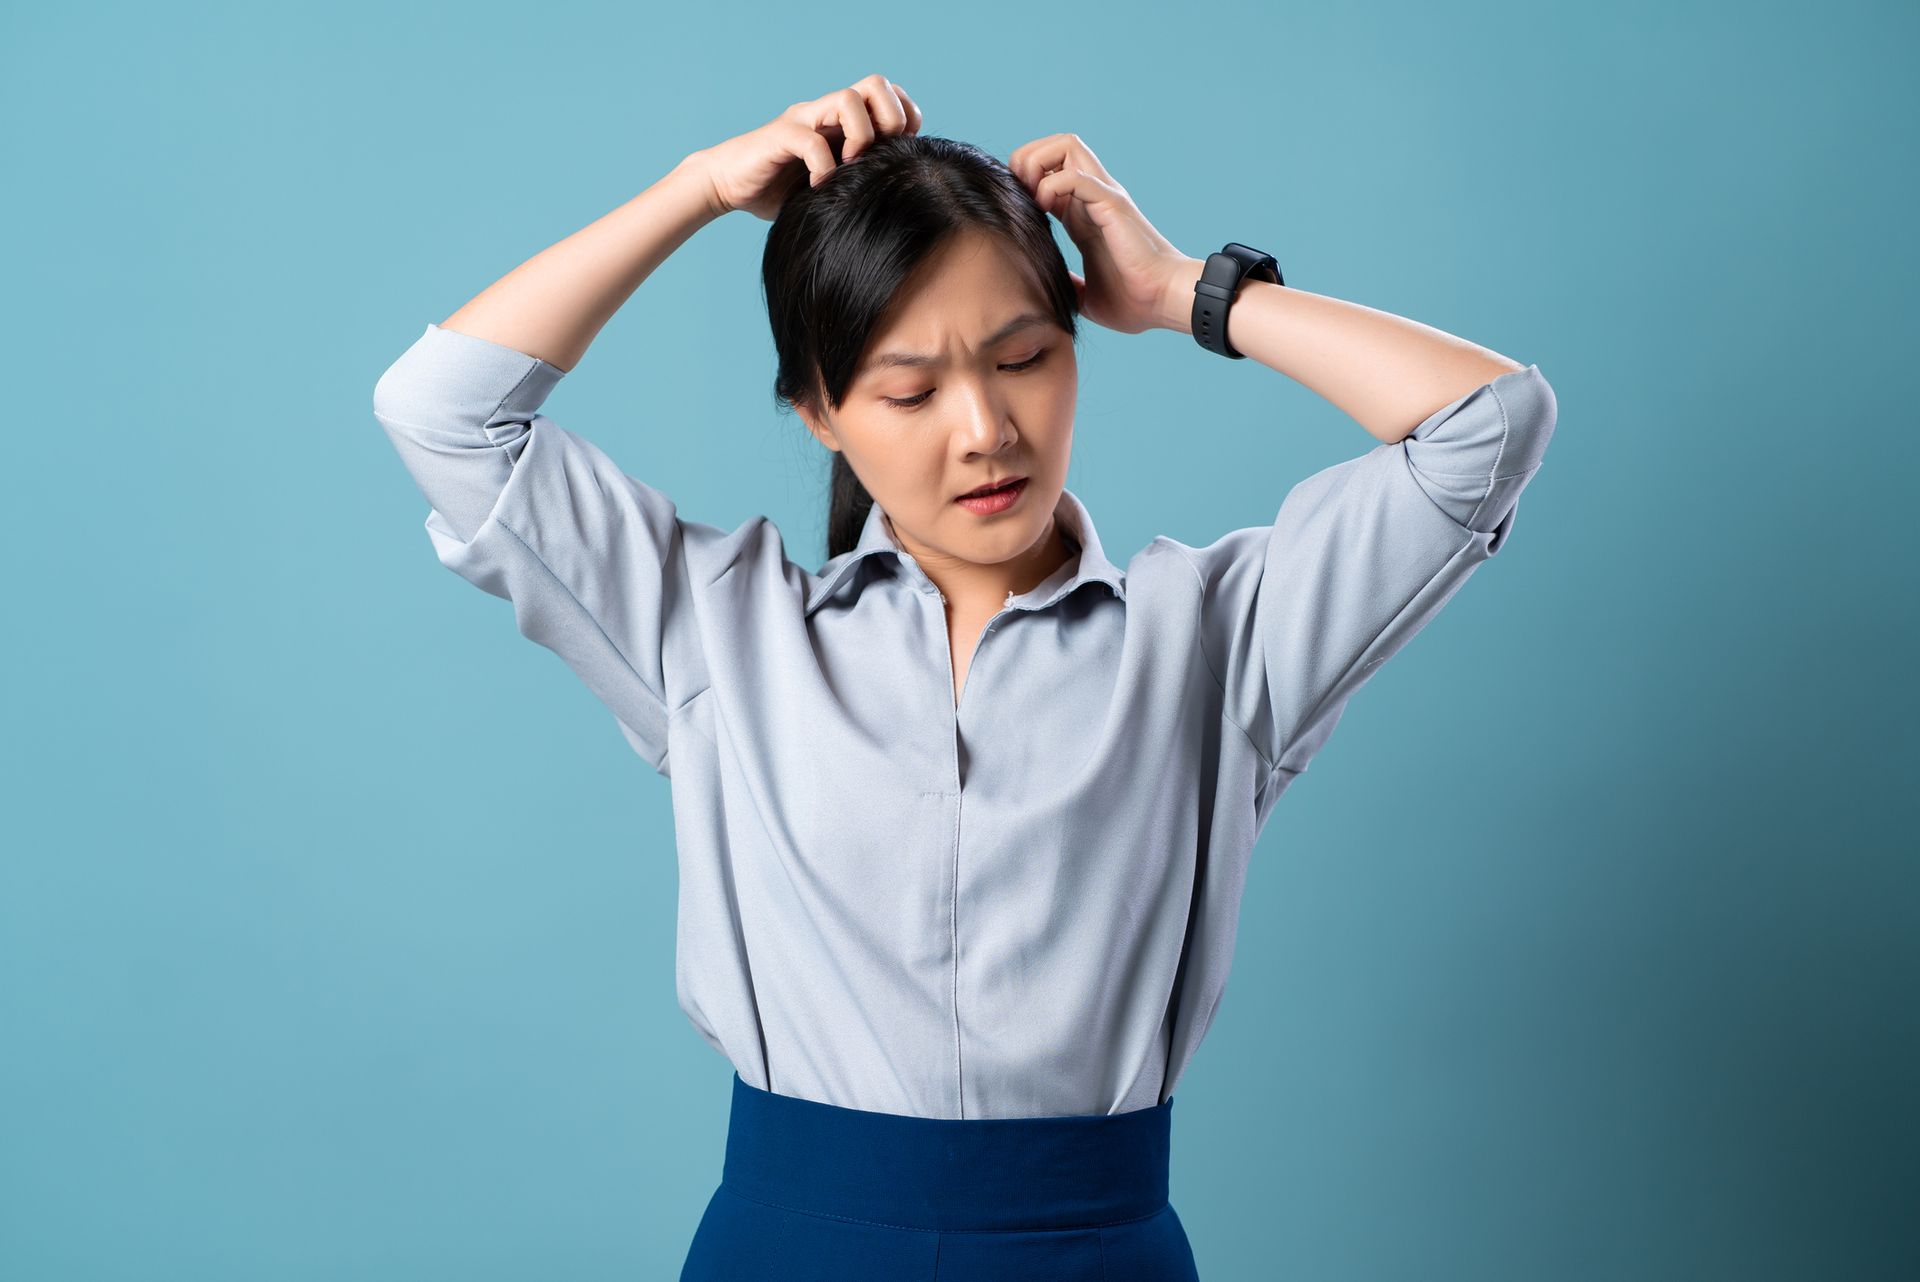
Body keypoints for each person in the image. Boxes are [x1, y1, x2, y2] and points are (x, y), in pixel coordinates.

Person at [371, 74, 1558, 1281]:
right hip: (795, 1248)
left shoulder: (1213, 639)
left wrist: (1183, 292)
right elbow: (443, 412)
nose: (985, 428)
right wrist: (697, 190)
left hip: (1094, 1248)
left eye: (1024, 358)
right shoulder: (717, 633)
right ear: (820, 411)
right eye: (911, 389)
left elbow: (1488, 423)